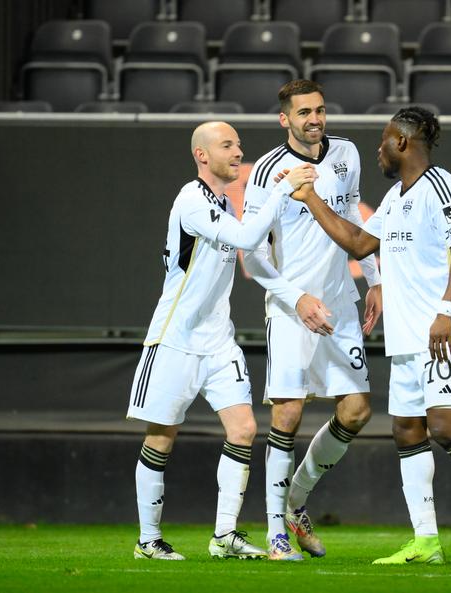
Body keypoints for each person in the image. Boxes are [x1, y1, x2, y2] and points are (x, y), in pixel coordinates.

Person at [283, 106, 451, 565]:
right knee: (407, 430)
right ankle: (426, 541)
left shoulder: (440, 186)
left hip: (441, 332)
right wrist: (311, 199)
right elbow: (358, 244)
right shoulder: (395, 197)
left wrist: (446, 310)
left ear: (403, 142)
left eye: (384, 139)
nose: (378, 148)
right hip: (409, 337)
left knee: (445, 426)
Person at [127, 121, 319, 560]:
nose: (238, 152)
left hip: (219, 341)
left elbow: (254, 254)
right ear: (202, 155)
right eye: (227, 145)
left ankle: (225, 535)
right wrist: (281, 190)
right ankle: (148, 540)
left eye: (238, 144)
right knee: (162, 436)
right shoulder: (191, 201)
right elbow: (249, 237)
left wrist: (298, 298)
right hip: (175, 338)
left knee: (245, 429)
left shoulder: (222, 204)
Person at [241, 80, 382, 561]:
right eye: (304, 113)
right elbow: (252, 256)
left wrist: (374, 281)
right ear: (285, 119)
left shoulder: (347, 152)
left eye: (320, 110)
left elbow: (356, 220)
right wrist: (296, 297)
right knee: (287, 414)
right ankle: (275, 533)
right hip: (290, 307)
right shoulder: (264, 172)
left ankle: (294, 502)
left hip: (341, 302)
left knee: (357, 411)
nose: (315, 119)